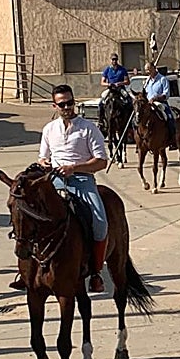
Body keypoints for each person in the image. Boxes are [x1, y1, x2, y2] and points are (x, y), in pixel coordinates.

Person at [37, 86, 110, 293]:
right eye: (62, 104)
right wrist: (45, 164)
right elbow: (42, 157)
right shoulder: (49, 129)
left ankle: (95, 272)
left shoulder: (88, 128)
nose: (67, 107)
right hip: (55, 179)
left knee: (100, 222)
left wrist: (74, 168)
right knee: (31, 215)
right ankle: (32, 267)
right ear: (55, 106)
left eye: (70, 102)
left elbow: (101, 162)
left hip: (82, 180)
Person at [143, 60, 176, 143]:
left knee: (169, 117)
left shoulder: (162, 79)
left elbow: (166, 94)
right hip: (148, 104)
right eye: (146, 70)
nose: (148, 72)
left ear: (154, 69)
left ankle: (172, 139)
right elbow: (144, 92)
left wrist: (156, 98)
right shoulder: (147, 81)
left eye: (149, 70)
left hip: (160, 103)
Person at [98, 53, 130, 127]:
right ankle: (101, 120)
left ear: (117, 60)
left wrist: (119, 83)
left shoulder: (122, 69)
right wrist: (108, 84)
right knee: (101, 102)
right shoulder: (107, 70)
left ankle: (129, 119)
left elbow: (127, 81)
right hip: (111, 89)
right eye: (113, 59)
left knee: (128, 100)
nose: (114, 61)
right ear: (111, 60)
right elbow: (102, 82)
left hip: (120, 88)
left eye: (115, 59)